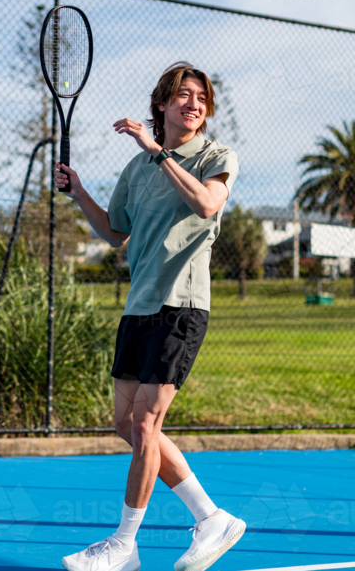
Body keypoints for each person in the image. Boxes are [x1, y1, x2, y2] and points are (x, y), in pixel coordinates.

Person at [55, 62, 244, 571]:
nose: (194, 104)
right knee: (127, 423)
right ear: (161, 104)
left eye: (201, 97)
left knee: (145, 422)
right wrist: (79, 192)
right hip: (138, 306)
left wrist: (158, 152)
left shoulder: (215, 156)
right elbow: (116, 231)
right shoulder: (137, 170)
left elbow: (206, 204)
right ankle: (211, 518)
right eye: (183, 95)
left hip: (181, 305)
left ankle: (123, 543)